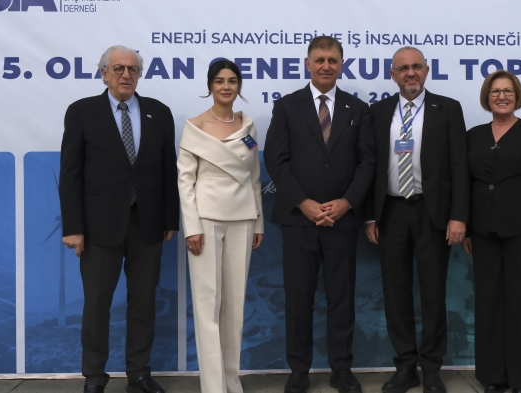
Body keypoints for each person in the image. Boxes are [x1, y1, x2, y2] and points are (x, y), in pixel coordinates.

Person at [59, 45, 180, 393]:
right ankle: (95, 377)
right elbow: (71, 173)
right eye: (118, 68)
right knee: (97, 305)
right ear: (104, 73)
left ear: (139, 74)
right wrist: (73, 227)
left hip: (148, 223)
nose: (126, 74)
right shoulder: (82, 112)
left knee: (143, 303)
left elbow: (167, 170)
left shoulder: (159, 112)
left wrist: (170, 218)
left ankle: (139, 374)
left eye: (132, 69)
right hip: (98, 227)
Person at [264, 36, 375, 393]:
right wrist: (304, 202)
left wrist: (346, 202)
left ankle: (341, 369)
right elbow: (276, 160)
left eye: (332, 60)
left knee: (342, 298)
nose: (326, 65)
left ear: (341, 64)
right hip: (300, 220)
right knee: (299, 298)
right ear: (308, 64)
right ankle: (299, 370)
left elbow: (367, 163)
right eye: (320, 59)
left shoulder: (358, 109)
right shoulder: (287, 107)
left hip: (342, 220)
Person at [364, 46, 469, 393]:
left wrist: (459, 216)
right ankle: (406, 366)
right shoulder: (378, 112)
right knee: (395, 292)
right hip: (391, 212)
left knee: (433, 291)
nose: (411, 73)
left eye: (417, 67)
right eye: (403, 68)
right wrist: (370, 216)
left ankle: (432, 368)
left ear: (426, 71)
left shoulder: (448, 109)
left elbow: (459, 166)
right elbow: (370, 167)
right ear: (393, 75)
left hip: (432, 211)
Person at [462, 70, 521, 393]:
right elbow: (466, 183)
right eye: (495, 91)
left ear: (517, 96)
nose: (501, 96)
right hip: (483, 231)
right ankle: (494, 377)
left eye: (507, 91)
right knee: (488, 304)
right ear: (486, 97)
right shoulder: (473, 135)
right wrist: (467, 228)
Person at [177, 59, 264, 393]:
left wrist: (258, 221)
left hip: (243, 219)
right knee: (207, 304)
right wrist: (192, 227)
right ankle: (213, 387)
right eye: (219, 80)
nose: (226, 86)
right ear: (209, 86)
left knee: (235, 305)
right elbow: (185, 181)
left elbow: (254, 177)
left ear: (239, 85)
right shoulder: (194, 126)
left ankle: (231, 381)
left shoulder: (248, 126)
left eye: (232, 80)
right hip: (206, 220)